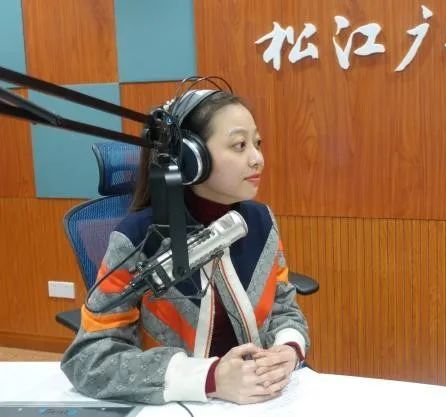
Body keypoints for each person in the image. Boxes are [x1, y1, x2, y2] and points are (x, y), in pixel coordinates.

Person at [61, 88, 309, 405]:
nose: (257, 158)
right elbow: (87, 359)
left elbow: (284, 308)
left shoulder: (261, 222)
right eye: (239, 145)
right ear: (192, 158)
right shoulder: (137, 240)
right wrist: (208, 378)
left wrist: (288, 348)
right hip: (180, 406)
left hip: (263, 401)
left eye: (257, 143)